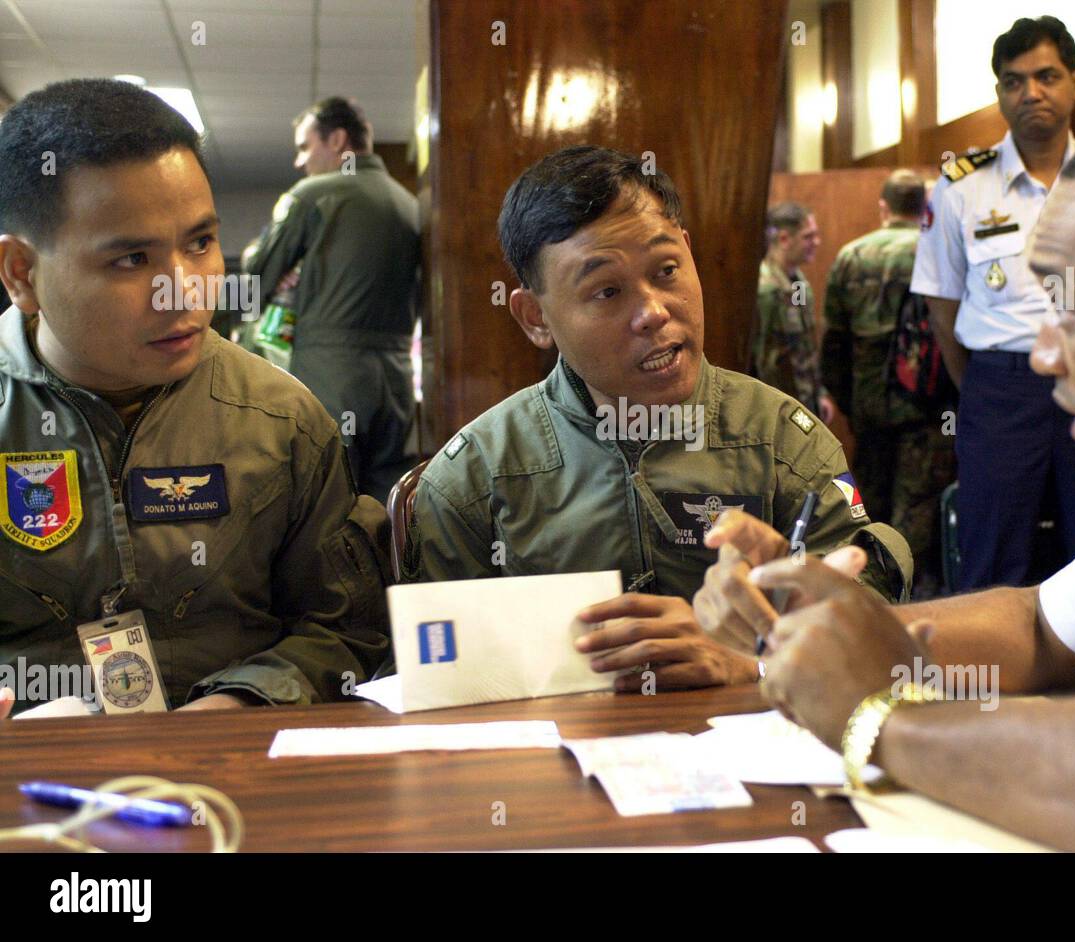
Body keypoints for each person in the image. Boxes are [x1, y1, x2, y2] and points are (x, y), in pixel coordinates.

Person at [696, 101, 1075, 851]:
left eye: (1069, 309)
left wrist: (886, 721)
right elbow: (1042, 629)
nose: (1043, 353)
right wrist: (810, 631)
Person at [404, 146, 911, 692]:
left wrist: (754, 659)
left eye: (666, 270)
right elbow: (436, 683)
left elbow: (869, 625)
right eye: (607, 291)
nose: (653, 312)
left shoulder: (785, 440)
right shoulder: (473, 479)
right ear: (535, 317)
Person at [0, 79, 390, 720]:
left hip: (234, 770)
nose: (181, 292)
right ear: (22, 272)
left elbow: (345, 630)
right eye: (131, 259)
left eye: (201, 243)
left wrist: (238, 703)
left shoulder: (281, 420)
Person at [911, 16, 1075, 591]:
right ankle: (991, 679)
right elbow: (942, 307)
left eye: (1046, 76)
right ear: (999, 94)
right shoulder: (961, 186)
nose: (1030, 93)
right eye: (1013, 81)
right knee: (990, 551)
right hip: (1000, 389)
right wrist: (985, 385)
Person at [242, 96, 421, 503]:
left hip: (329, 374)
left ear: (337, 139)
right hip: (395, 378)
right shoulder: (410, 205)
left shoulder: (315, 195)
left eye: (305, 147)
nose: (299, 161)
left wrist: (270, 262)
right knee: (389, 502)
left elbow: (254, 280)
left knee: (326, 504)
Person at [823, 170, 955, 596]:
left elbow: (834, 344)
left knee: (867, 509)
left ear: (884, 207)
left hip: (868, 410)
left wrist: (849, 403)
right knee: (918, 511)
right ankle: (917, 606)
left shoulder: (851, 256)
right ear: (924, 207)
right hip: (927, 408)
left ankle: (870, 600)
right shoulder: (935, 251)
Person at [751, 202, 833, 421]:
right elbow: (760, 361)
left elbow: (806, 345)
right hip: (779, 411)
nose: (816, 243)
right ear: (785, 239)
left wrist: (819, 395)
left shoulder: (798, 283)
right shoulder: (765, 291)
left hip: (805, 404)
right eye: (808, 237)